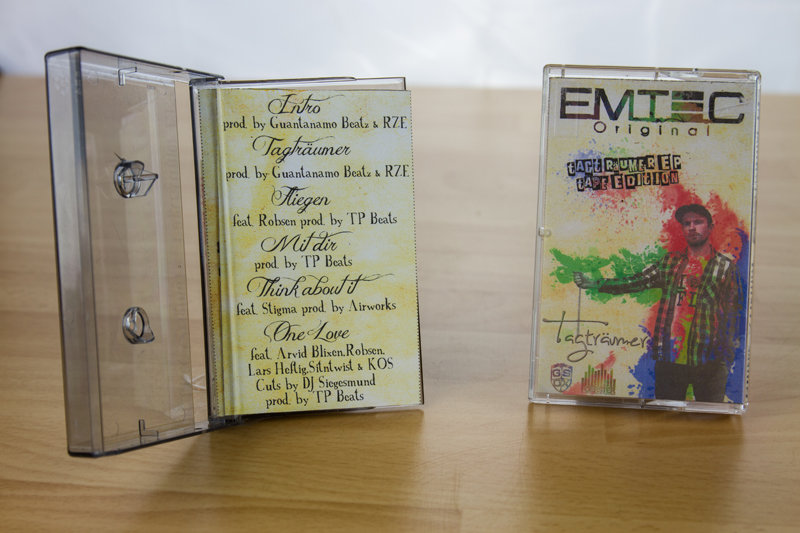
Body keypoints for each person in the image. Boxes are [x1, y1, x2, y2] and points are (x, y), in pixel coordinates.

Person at [573, 204, 740, 402]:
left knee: (711, 415)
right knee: (666, 414)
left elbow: (733, 315)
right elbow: (636, 281)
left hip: (709, 361)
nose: (692, 227)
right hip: (669, 359)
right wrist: (595, 283)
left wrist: (728, 357)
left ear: (710, 227)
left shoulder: (725, 267)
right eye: (687, 223)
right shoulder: (670, 262)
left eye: (698, 222)